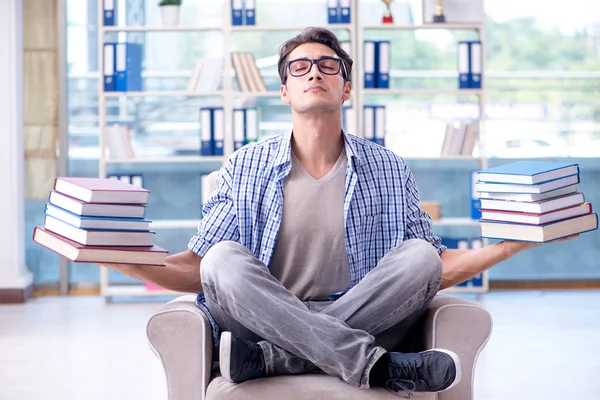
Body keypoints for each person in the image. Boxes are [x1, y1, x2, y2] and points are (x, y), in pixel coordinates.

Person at [101, 27, 575, 397]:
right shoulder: (244, 166)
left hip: (364, 313)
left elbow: (433, 269)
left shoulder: (387, 167)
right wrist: (125, 261)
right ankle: (378, 367)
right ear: (284, 91)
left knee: (419, 255)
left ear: (346, 88)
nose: (315, 72)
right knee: (222, 257)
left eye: (328, 66)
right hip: (258, 317)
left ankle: (269, 359)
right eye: (300, 67)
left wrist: (511, 244)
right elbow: (200, 270)